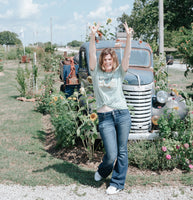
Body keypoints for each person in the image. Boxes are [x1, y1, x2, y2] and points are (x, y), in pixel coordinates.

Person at [89, 22, 133, 195]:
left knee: (122, 151)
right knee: (111, 153)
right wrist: (92, 36)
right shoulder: (96, 73)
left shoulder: (119, 72)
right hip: (105, 118)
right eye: (105, 59)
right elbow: (92, 54)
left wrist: (129, 37)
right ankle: (102, 170)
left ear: (113, 60)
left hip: (122, 114)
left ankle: (117, 183)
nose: (107, 62)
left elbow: (127, 56)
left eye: (110, 59)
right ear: (102, 61)